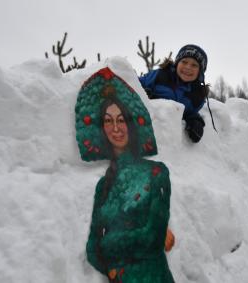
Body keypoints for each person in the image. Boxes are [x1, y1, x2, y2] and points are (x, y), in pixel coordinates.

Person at [75, 67, 175, 282]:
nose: (116, 128)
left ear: (131, 124)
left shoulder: (156, 172)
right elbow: (93, 248)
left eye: (121, 120)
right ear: (101, 128)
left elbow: (153, 237)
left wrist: (110, 242)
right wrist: (112, 270)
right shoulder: (103, 185)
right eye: (108, 121)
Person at [139, 44, 212, 143]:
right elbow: (135, 83)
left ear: (200, 72)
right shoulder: (160, 75)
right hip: (142, 123)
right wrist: (145, 93)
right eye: (184, 62)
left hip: (164, 140)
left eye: (194, 65)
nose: (188, 67)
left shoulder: (197, 95)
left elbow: (189, 112)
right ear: (177, 63)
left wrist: (195, 120)